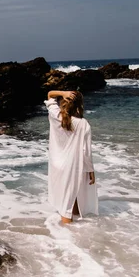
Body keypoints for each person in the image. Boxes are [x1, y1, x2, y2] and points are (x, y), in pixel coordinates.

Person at [45, 90, 98, 223]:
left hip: (57, 165)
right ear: (80, 105)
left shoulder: (56, 114)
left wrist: (63, 93)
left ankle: (73, 230)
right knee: (67, 206)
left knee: (70, 198)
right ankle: (68, 236)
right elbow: (86, 152)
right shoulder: (83, 123)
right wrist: (90, 170)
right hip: (72, 166)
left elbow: (50, 95)